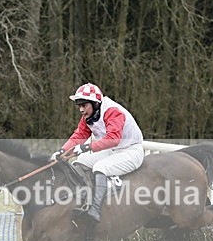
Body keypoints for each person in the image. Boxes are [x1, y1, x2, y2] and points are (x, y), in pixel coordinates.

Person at [51, 83, 144, 224]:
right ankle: (83, 197)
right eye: (79, 106)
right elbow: (79, 135)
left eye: (84, 105)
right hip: (113, 150)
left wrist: (86, 147)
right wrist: (62, 151)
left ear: (95, 103)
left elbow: (113, 139)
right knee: (80, 161)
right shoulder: (90, 114)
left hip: (131, 151)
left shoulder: (112, 111)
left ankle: (95, 209)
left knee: (100, 167)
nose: (81, 110)